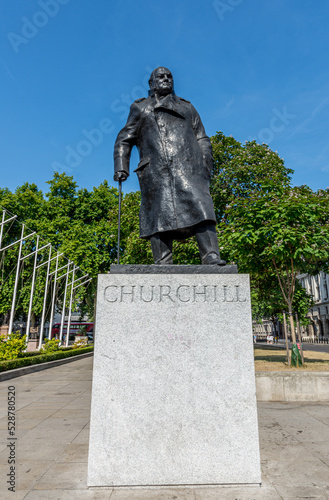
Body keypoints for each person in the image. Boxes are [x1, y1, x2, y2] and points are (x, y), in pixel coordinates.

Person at [113, 67, 226, 266]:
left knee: (202, 208)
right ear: (151, 83)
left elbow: (202, 136)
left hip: (190, 168)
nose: (166, 79)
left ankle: (211, 256)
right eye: (161, 77)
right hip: (156, 171)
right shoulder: (141, 108)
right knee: (158, 216)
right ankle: (163, 261)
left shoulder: (187, 107)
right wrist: (122, 166)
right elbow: (124, 139)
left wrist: (206, 162)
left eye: (169, 76)